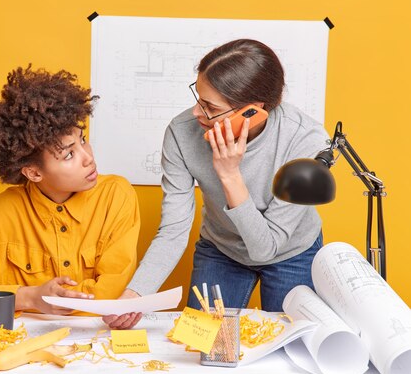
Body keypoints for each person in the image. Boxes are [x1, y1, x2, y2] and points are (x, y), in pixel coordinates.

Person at [103, 39, 329, 329]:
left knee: (290, 345)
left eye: (210, 106)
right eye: (198, 97)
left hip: (291, 252)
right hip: (222, 249)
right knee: (203, 343)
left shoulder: (305, 139)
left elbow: (266, 248)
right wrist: (135, 295)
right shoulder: (182, 133)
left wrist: (230, 174)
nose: (197, 112)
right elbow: (174, 230)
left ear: (253, 111)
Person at [0, 65, 140, 316]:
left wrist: (17, 299)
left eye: (83, 139)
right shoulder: (5, 211)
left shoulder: (116, 196)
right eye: (68, 154)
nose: (88, 158)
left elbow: (111, 290)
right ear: (33, 173)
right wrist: (31, 297)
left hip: (96, 344)